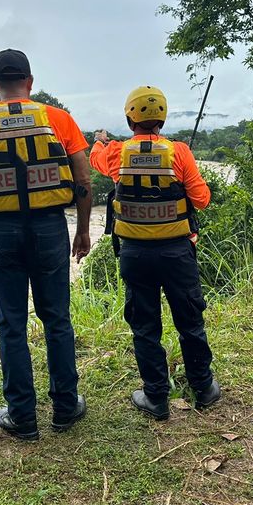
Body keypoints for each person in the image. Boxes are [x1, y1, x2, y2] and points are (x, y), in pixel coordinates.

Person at [0, 48, 92, 441]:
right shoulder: (58, 118)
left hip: (4, 230)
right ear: (30, 83)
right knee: (57, 319)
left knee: (11, 323)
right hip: (51, 228)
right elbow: (83, 181)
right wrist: (82, 229)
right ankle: (66, 408)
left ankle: (22, 416)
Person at [90, 85, 220, 420]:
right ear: (161, 116)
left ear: (130, 116)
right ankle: (203, 387)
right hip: (177, 253)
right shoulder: (179, 152)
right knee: (190, 320)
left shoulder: (116, 153)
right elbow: (202, 200)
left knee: (145, 325)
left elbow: (97, 161)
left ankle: (156, 396)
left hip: (135, 255)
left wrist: (99, 141)